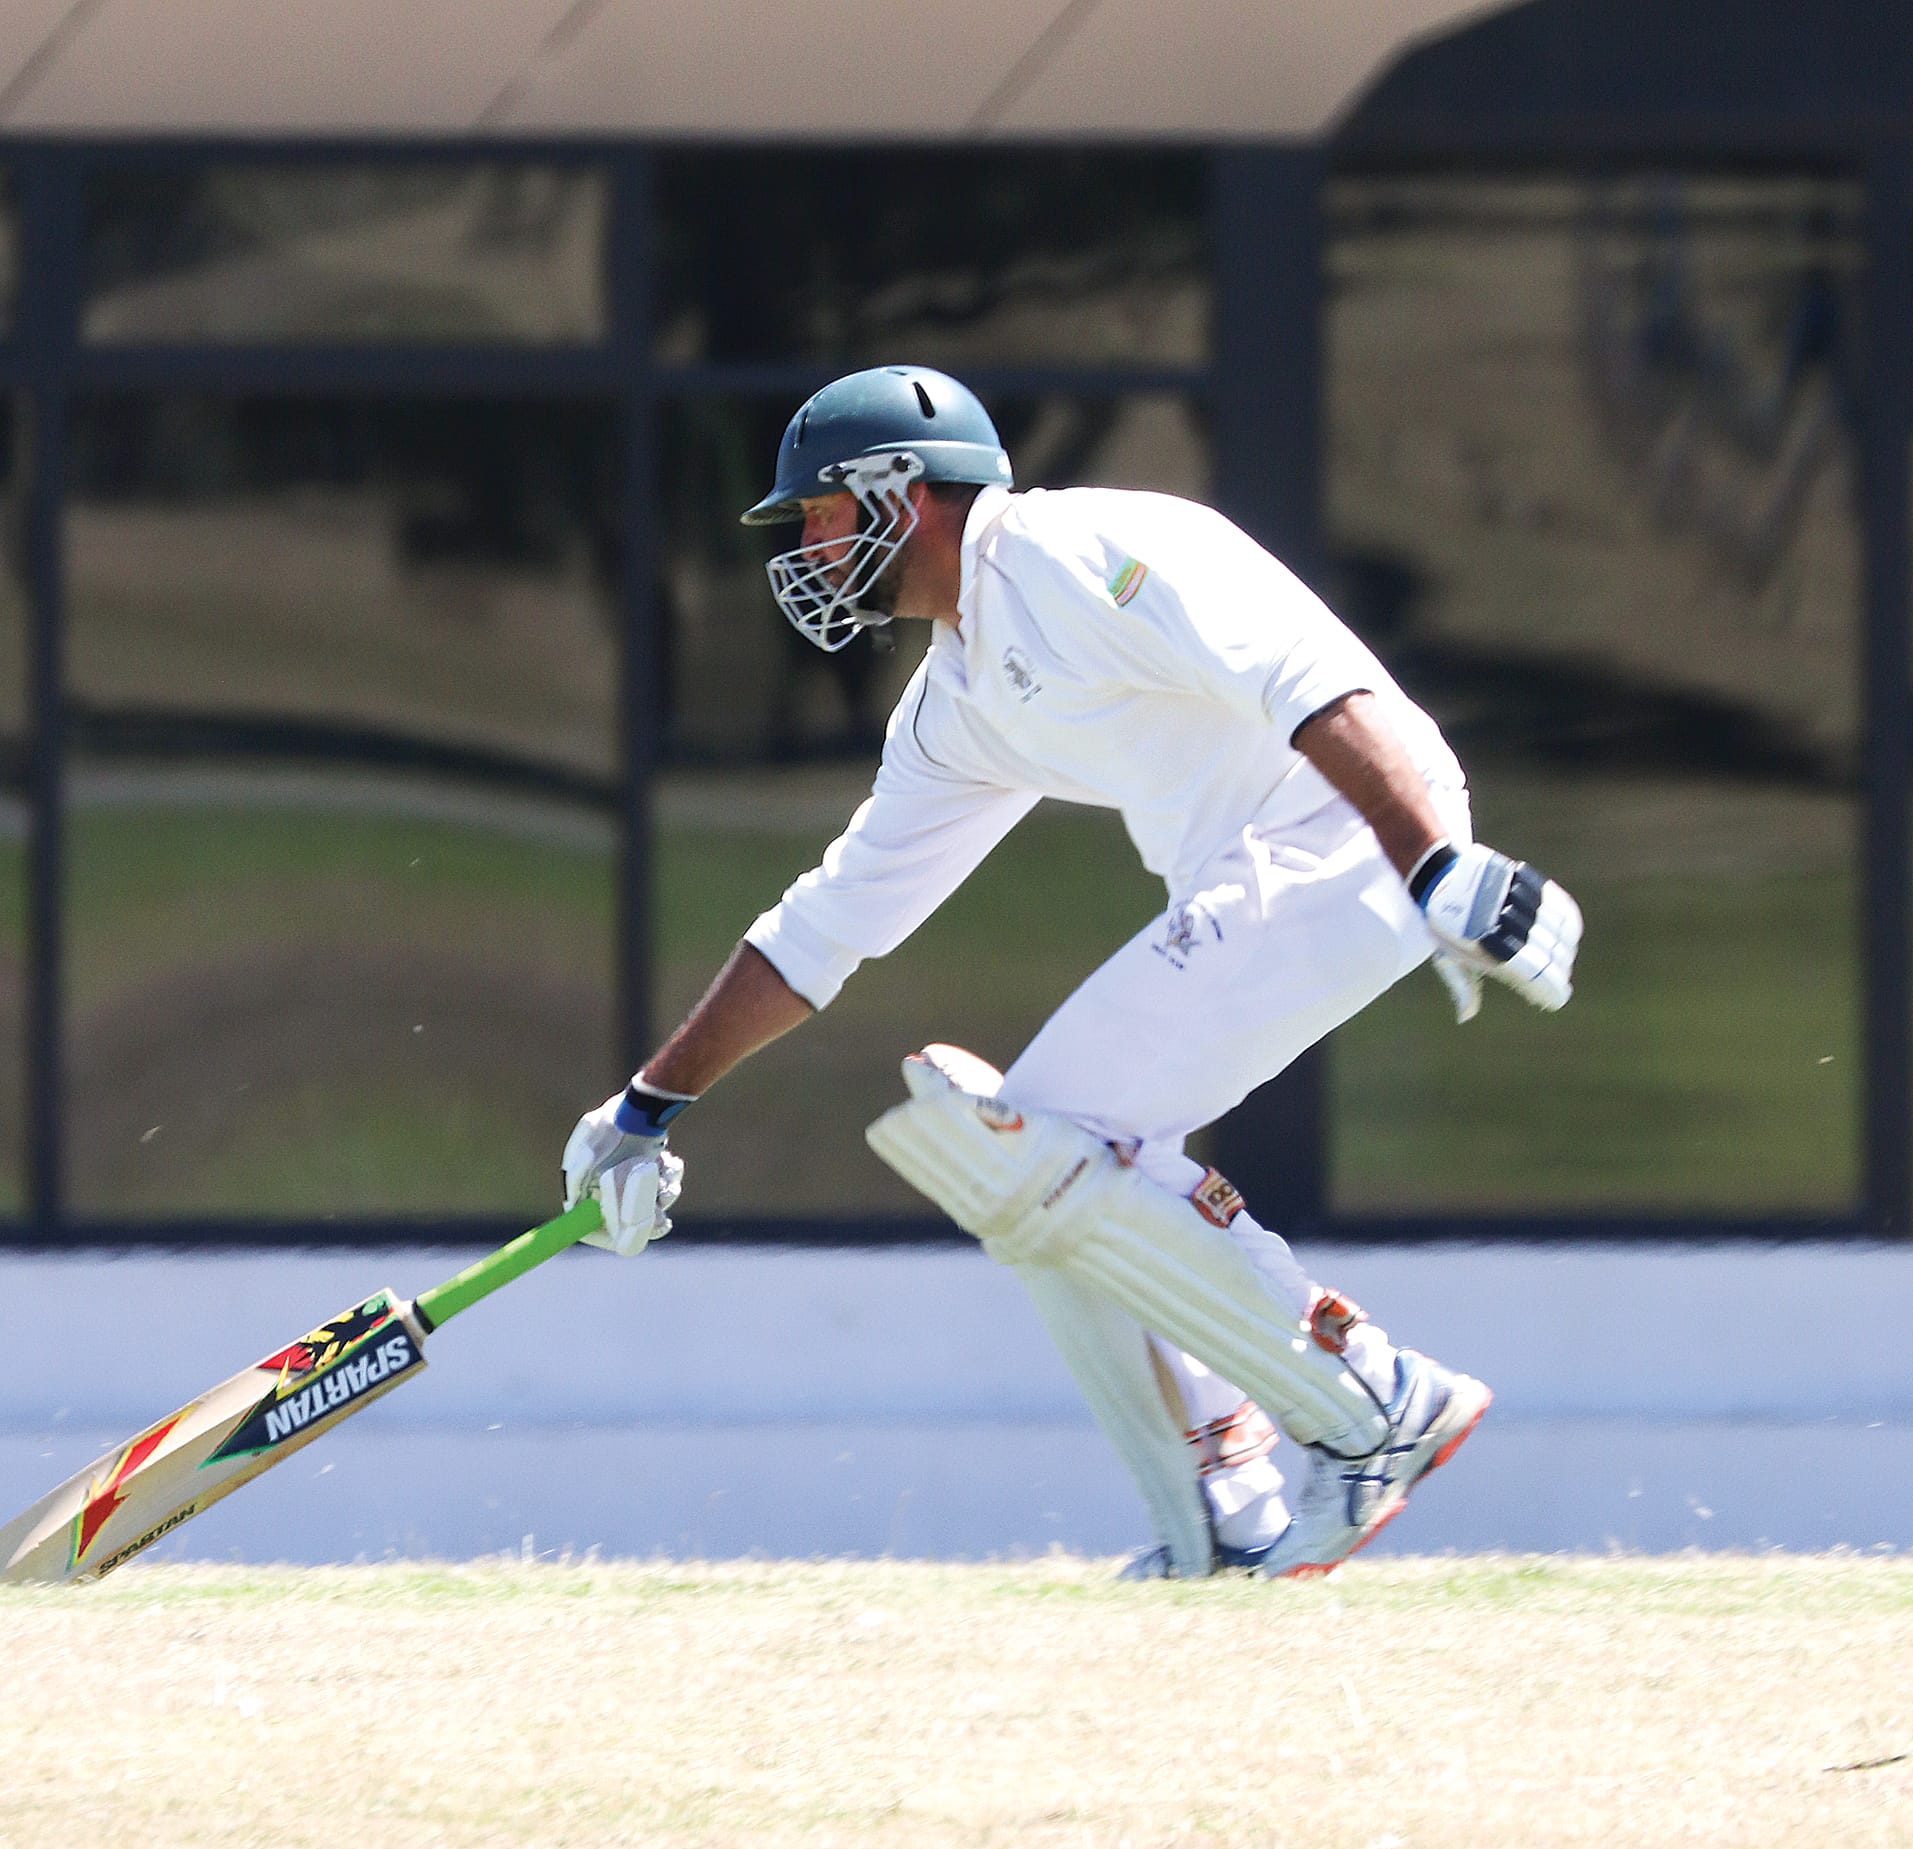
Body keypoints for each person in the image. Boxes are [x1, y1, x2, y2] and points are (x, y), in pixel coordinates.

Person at [561, 365, 1581, 1579]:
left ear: (908, 490)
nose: (810, 547)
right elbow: (830, 921)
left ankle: (1373, 1405)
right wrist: (646, 1104)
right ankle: (1220, 1504)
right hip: (1267, 875)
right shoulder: (959, 699)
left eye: (824, 512)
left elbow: (1306, 678)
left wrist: (1431, 865)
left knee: (1043, 1136)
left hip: (1346, 842)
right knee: (1029, 1175)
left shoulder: (1077, 552)